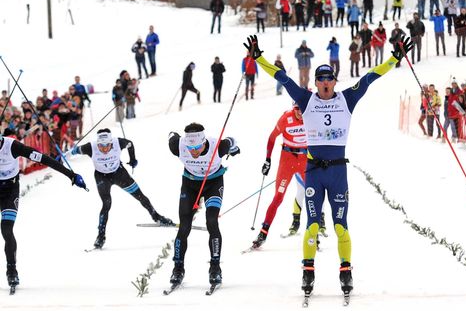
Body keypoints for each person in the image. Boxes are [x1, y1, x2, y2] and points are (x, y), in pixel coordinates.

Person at [245, 32, 414, 298]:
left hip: (337, 171)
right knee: (312, 224)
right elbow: (283, 78)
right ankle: (308, 271)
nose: (325, 82)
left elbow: (371, 77)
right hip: (313, 171)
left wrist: (394, 57)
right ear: (315, 82)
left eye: (329, 78)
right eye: (320, 79)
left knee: (340, 225)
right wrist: (260, 58)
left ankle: (345, 271)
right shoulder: (305, 99)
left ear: (335, 81)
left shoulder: (346, 98)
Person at [1, 132, 86, 290]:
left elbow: (43, 158)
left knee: (6, 229)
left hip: (9, 190)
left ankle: (11, 270)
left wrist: (71, 175)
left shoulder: (12, 146)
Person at [70, 128, 171, 249]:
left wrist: (133, 159)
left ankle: (157, 217)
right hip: (102, 178)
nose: (104, 149)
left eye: (107, 145)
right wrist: (67, 153)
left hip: (119, 174)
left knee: (141, 196)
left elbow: (130, 144)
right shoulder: (90, 147)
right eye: (101, 146)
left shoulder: (118, 142)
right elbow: (74, 151)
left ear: (111, 142)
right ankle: (101, 236)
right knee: (106, 204)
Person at [167, 123, 240, 288]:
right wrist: (173, 134)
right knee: (184, 226)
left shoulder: (219, 146)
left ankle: (215, 267)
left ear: (204, 142)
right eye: (190, 147)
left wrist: (233, 148)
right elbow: (172, 135)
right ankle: (178, 268)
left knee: (212, 221)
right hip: (190, 185)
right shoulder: (177, 146)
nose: (193, 151)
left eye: (197, 147)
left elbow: (231, 140)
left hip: (213, 183)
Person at [252, 103, 320, 248]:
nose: (300, 113)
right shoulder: (286, 118)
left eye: (303, 109)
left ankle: (315, 233)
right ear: (293, 108)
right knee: (278, 197)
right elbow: (272, 137)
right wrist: (268, 160)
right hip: (287, 160)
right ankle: (263, 233)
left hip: (304, 160)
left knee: (312, 195)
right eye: (297, 109)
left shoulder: (312, 117)